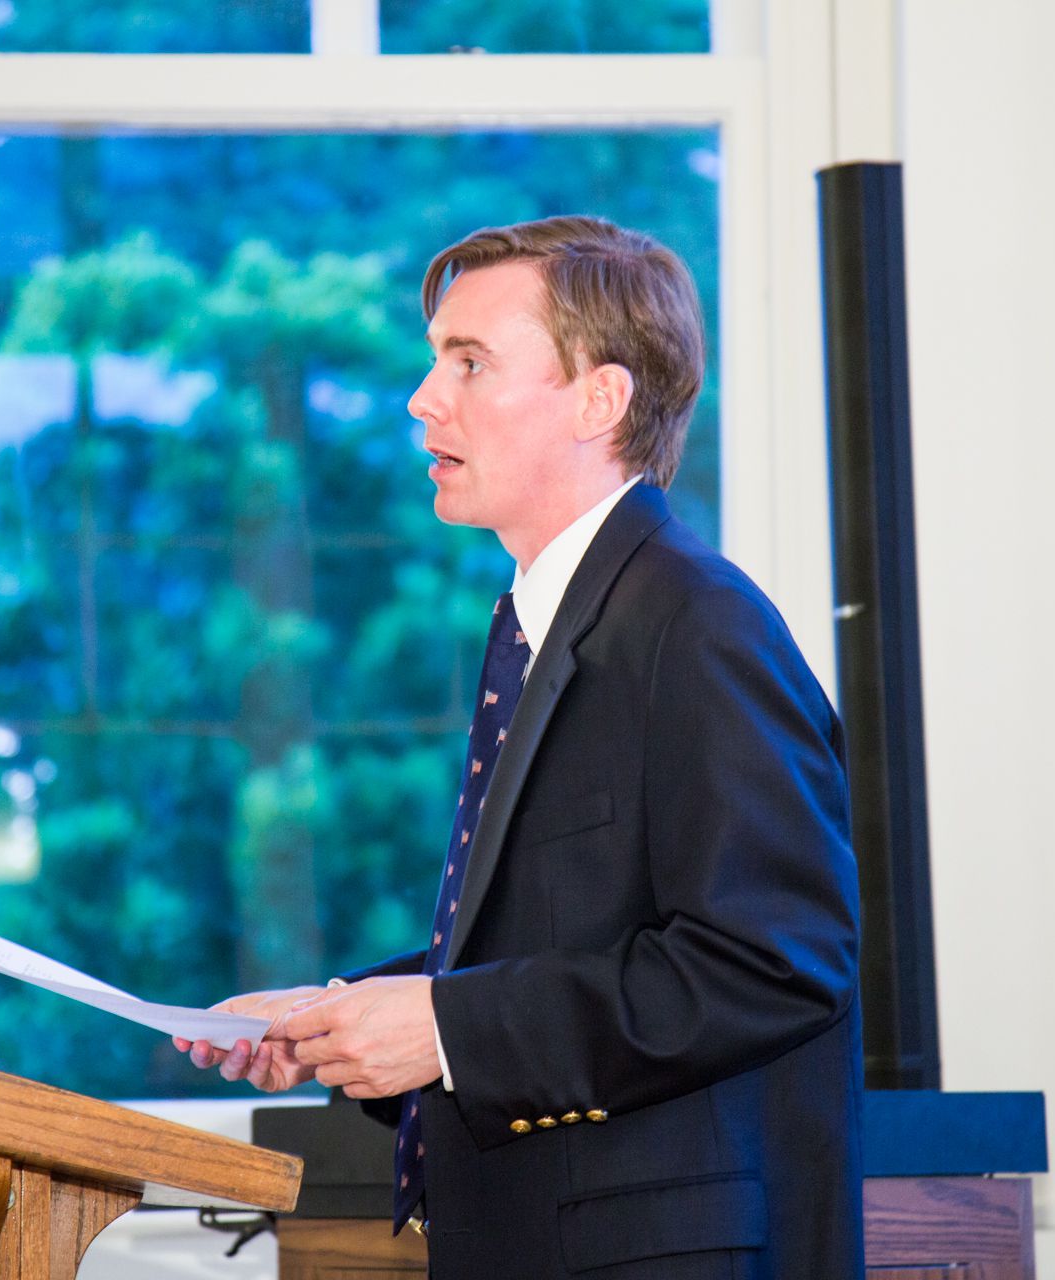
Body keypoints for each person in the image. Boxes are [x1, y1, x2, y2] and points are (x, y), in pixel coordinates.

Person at [175, 215, 863, 1279]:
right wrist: (340, 1017)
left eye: (470, 362)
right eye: (434, 361)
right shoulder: (565, 623)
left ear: (600, 400)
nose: (422, 399)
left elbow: (774, 959)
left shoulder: (697, 623)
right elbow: (569, 937)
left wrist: (450, 1028)